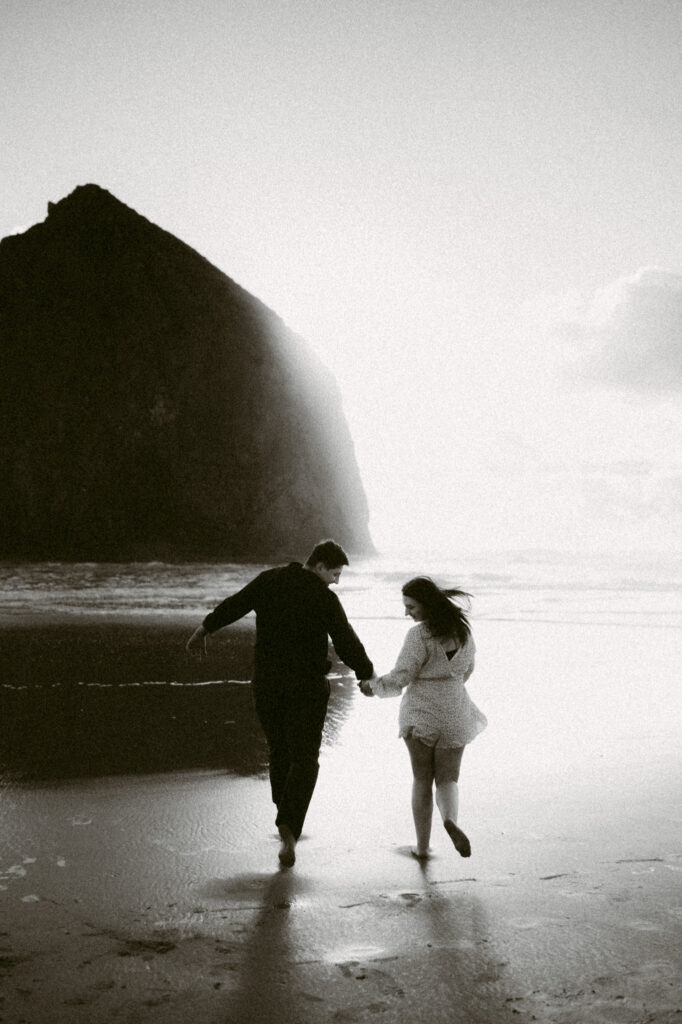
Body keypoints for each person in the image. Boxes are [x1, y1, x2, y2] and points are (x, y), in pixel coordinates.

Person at [186, 539, 374, 867]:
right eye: (335, 572)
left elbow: (235, 604)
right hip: (307, 688)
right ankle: (289, 826)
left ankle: (283, 818)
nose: (336, 581)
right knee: (305, 758)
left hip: (267, 686)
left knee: (279, 751)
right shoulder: (324, 597)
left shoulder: (269, 580)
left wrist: (203, 630)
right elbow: (345, 639)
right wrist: (367, 672)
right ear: (318, 565)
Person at [360, 577, 486, 860]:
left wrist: (373, 687)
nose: (407, 612)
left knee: (421, 779)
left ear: (426, 605)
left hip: (422, 714)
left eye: (411, 606)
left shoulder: (419, 636)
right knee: (448, 779)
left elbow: (402, 676)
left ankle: (422, 847)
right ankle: (450, 820)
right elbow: (468, 671)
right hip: (455, 712)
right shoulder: (463, 633)